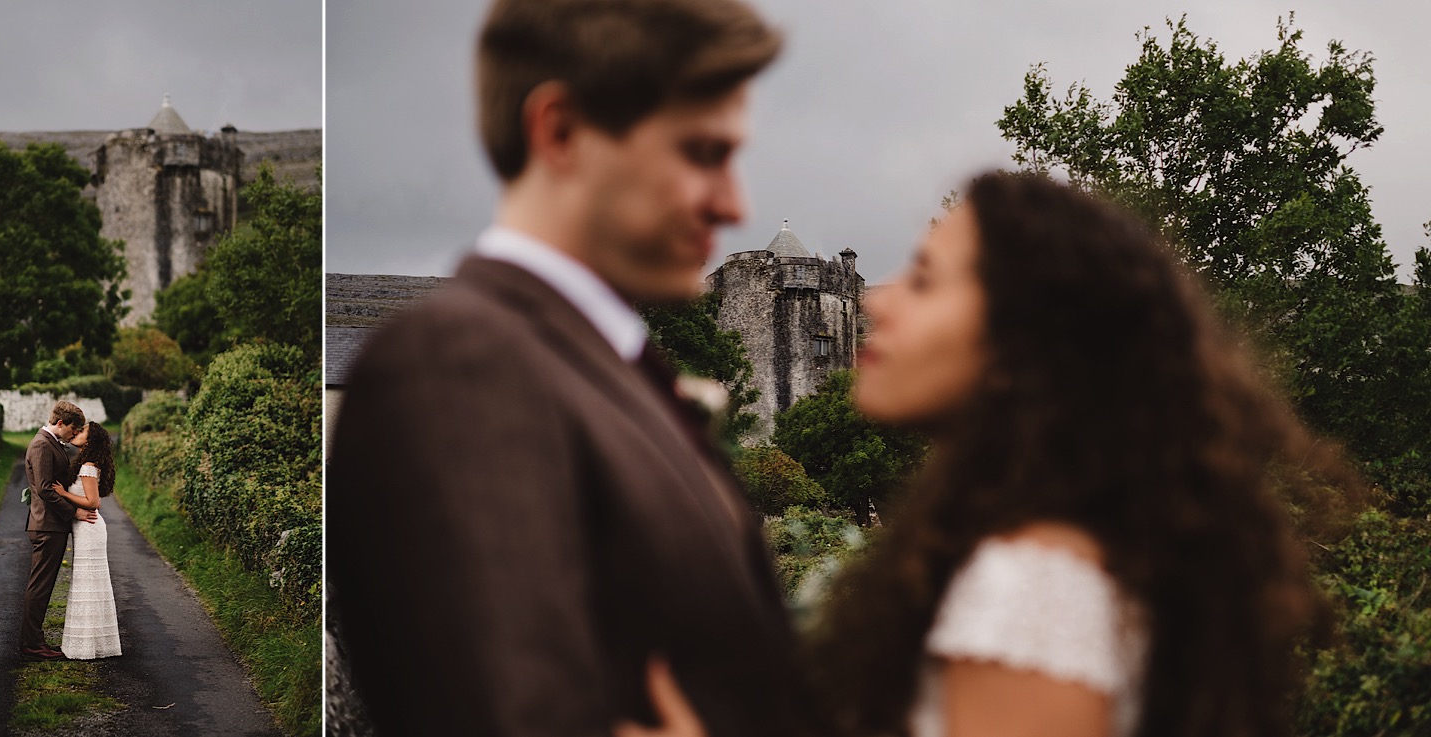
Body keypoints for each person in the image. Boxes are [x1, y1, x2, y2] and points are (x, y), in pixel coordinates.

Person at [327, 0, 813, 735]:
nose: (733, 203)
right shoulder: (460, 369)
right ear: (560, 131)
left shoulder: (605, 365)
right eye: (703, 153)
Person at [795, 171, 1359, 737]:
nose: (874, 300)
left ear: (1018, 345)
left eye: (922, 280)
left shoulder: (1028, 596)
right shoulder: (1046, 552)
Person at [21, 400, 97, 661]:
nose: (74, 435)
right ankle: (31, 643)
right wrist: (74, 512)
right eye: (73, 430)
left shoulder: (50, 443)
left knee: (44, 585)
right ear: (60, 423)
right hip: (47, 525)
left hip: (51, 525)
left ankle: (34, 640)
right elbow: (44, 489)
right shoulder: (42, 444)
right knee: (40, 586)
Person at [50, 421, 122, 660]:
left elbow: (93, 502)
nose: (76, 432)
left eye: (82, 432)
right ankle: (93, 644)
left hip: (90, 528)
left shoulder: (88, 466)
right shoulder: (85, 463)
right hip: (86, 528)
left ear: (89, 442)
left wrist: (63, 494)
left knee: (88, 584)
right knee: (88, 584)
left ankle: (88, 646)